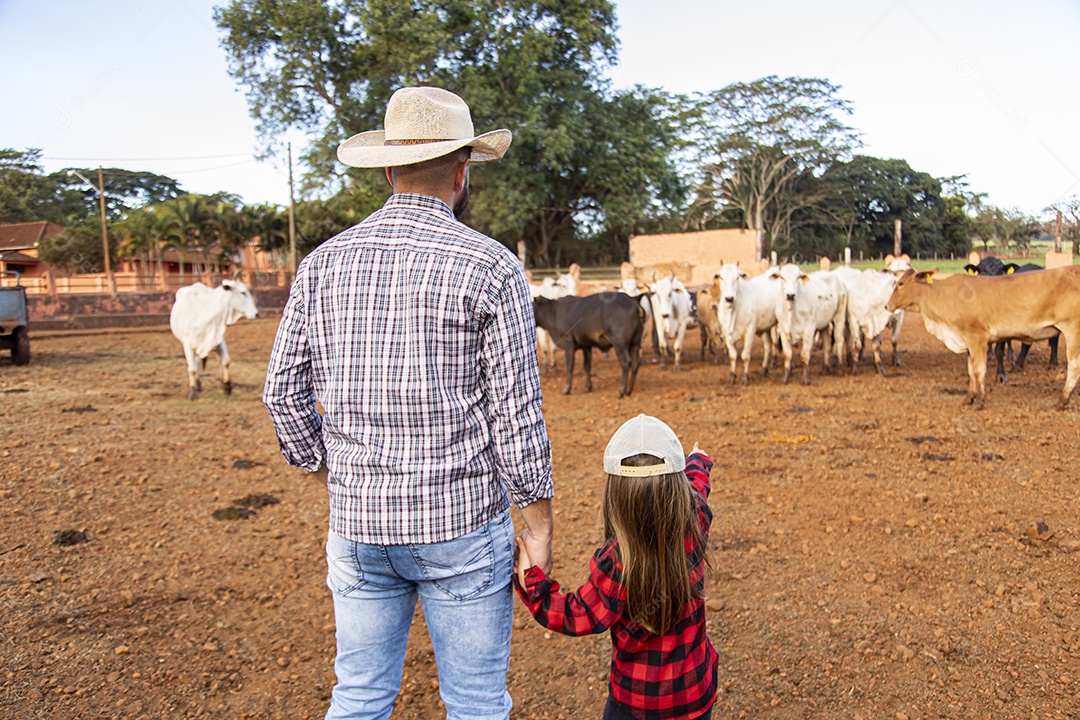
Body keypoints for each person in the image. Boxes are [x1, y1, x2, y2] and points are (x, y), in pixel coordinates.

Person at [263, 86, 554, 720]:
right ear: (463, 169)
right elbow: (516, 415)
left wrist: (334, 473)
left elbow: (281, 391)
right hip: (462, 526)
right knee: (476, 703)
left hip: (359, 525)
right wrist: (538, 528)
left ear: (389, 170)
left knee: (359, 696)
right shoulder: (492, 267)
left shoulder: (321, 265)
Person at [514, 414, 717, 720]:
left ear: (616, 495)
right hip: (695, 695)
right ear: (678, 486)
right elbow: (697, 485)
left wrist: (533, 583)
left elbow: (575, 615)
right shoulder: (695, 518)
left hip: (635, 703)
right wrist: (698, 460)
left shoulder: (617, 562)